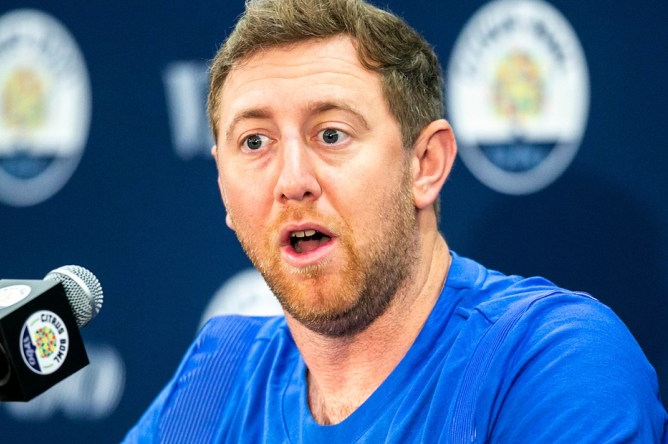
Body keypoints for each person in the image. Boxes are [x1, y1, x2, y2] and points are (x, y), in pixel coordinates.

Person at [124, 0, 667, 441]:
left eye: (331, 134)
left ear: (425, 164)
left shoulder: (552, 363)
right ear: (222, 182)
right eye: (255, 142)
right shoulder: (218, 374)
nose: (292, 179)